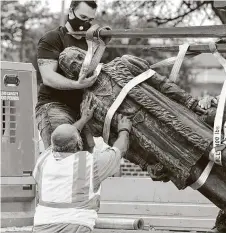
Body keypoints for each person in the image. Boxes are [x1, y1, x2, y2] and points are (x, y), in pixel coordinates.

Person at [32, 95, 132, 233]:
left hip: (42, 226)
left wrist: (84, 119)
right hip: (76, 226)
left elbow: (62, 137)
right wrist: (124, 130)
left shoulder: (43, 161)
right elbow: (120, 149)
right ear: (79, 143)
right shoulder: (89, 164)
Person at [36, 0, 99, 152]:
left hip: (81, 112)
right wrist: (77, 85)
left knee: (84, 162)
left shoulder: (90, 42)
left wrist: (101, 45)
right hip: (54, 106)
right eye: (83, 17)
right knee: (62, 155)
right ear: (71, 12)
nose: (86, 23)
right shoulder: (52, 38)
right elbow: (48, 77)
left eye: (90, 20)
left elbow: (92, 71)